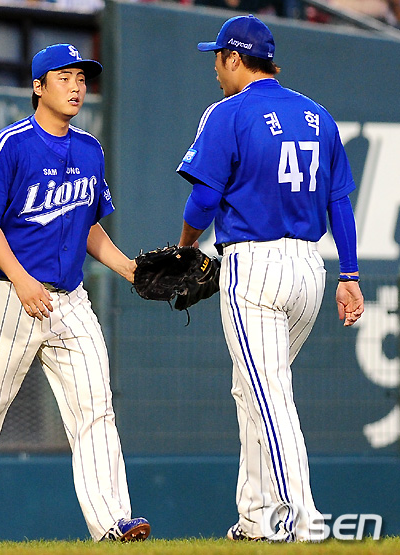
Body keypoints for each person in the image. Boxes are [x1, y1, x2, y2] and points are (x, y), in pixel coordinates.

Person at [0, 43, 151, 544]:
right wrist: (21, 279)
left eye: (81, 78)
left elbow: (88, 224)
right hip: (7, 296)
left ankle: (112, 522)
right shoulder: (10, 144)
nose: (77, 86)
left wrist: (128, 268)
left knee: (95, 407)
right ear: (38, 86)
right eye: (64, 77)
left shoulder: (90, 149)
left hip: (70, 299)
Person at [175, 15, 364, 542]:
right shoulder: (318, 115)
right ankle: (256, 520)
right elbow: (339, 203)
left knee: (270, 397)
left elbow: (204, 200)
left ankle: (304, 520)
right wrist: (349, 274)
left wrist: (185, 248)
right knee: (253, 390)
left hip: (254, 268)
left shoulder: (228, 112)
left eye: (218, 57)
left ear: (235, 58)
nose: (215, 68)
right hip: (309, 271)